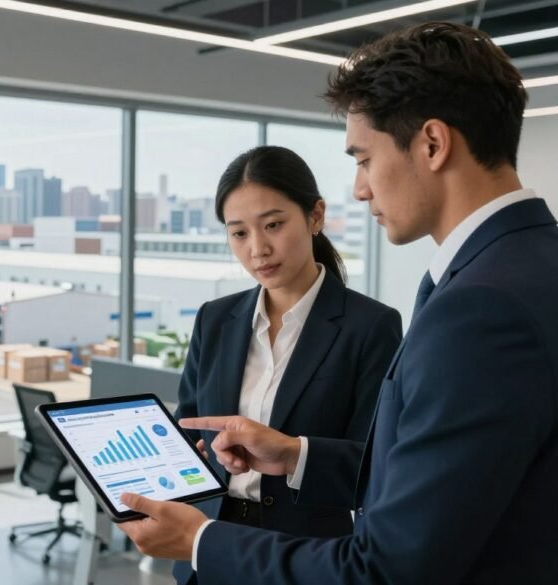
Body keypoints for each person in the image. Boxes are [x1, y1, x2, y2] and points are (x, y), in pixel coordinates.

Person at [118, 21, 558, 584]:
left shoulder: (480, 309)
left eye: (363, 158)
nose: (361, 188)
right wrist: (296, 454)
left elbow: (388, 568)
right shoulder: (523, 264)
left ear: (431, 143)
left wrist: (200, 541)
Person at [171, 145, 401, 585]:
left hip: (306, 556)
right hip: (208, 544)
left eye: (273, 225)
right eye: (239, 233)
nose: (258, 249)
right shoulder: (215, 319)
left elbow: (377, 465)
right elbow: (189, 423)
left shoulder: (371, 326)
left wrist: (294, 453)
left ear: (315, 216)